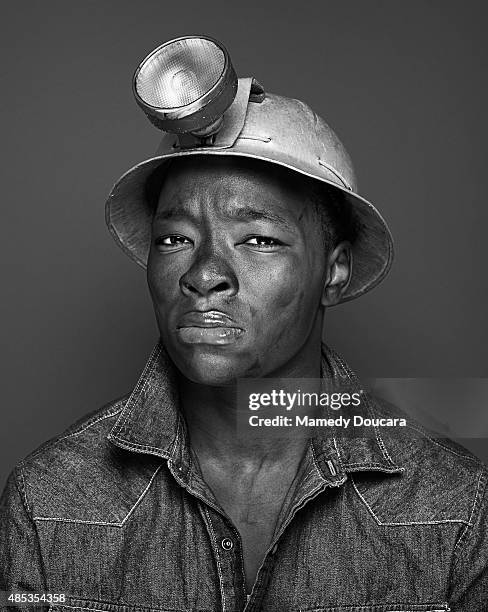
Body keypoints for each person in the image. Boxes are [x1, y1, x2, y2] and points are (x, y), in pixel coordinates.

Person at [1, 35, 487, 612]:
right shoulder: (49, 500)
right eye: (174, 238)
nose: (205, 273)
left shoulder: (455, 509)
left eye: (259, 239)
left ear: (333, 271)